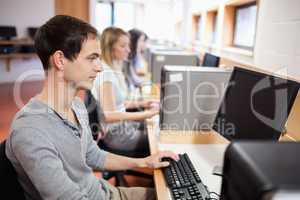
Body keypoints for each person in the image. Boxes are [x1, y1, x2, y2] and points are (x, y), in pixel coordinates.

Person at [5, 15, 178, 200]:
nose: (100, 68)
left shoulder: (77, 107)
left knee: (174, 195)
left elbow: (94, 156)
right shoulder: (31, 131)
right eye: (92, 58)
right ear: (60, 60)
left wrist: (145, 161)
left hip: (105, 192)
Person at [91, 27, 159, 154]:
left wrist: (142, 104)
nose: (128, 49)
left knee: (156, 127)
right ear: (110, 48)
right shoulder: (106, 75)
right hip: (116, 135)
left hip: (123, 126)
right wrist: (146, 114)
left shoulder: (111, 68)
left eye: (128, 45)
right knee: (158, 140)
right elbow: (109, 115)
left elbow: (118, 104)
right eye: (123, 46)